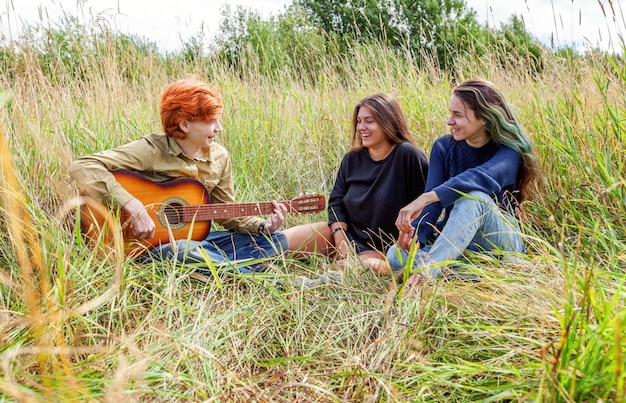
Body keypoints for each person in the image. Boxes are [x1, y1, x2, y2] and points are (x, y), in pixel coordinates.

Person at [69, 77, 289, 273]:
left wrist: (264, 226)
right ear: (185, 124)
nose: (219, 128)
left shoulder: (220, 157)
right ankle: (250, 273)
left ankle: (216, 267)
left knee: (275, 240)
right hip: (148, 246)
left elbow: (226, 213)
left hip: (195, 240)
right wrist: (133, 207)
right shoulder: (152, 150)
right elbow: (83, 165)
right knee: (183, 250)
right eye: (211, 121)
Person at [387, 78, 541, 287]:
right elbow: (432, 208)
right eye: (450, 113)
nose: (450, 121)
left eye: (458, 115)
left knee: (474, 197)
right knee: (395, 256)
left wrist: (426, 197)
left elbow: (480, 177)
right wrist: (415, 238)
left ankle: (428, 274)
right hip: (458, 243)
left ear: (484, 118)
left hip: (500, 241)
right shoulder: (443, 147)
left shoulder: (509, 150)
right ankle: (485, 273)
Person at [283, 93, 429, 274]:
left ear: (388, 122)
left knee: (347, 269)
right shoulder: (352, 159)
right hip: (344, 234)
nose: (361, 127)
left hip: (382, 248)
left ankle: (352, 267)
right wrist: (341, 241)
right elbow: (336, 204)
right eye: (359, 121)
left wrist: (405, 246)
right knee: (279, 242)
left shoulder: (408, 156)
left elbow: (427, 207)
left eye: (369, 121)